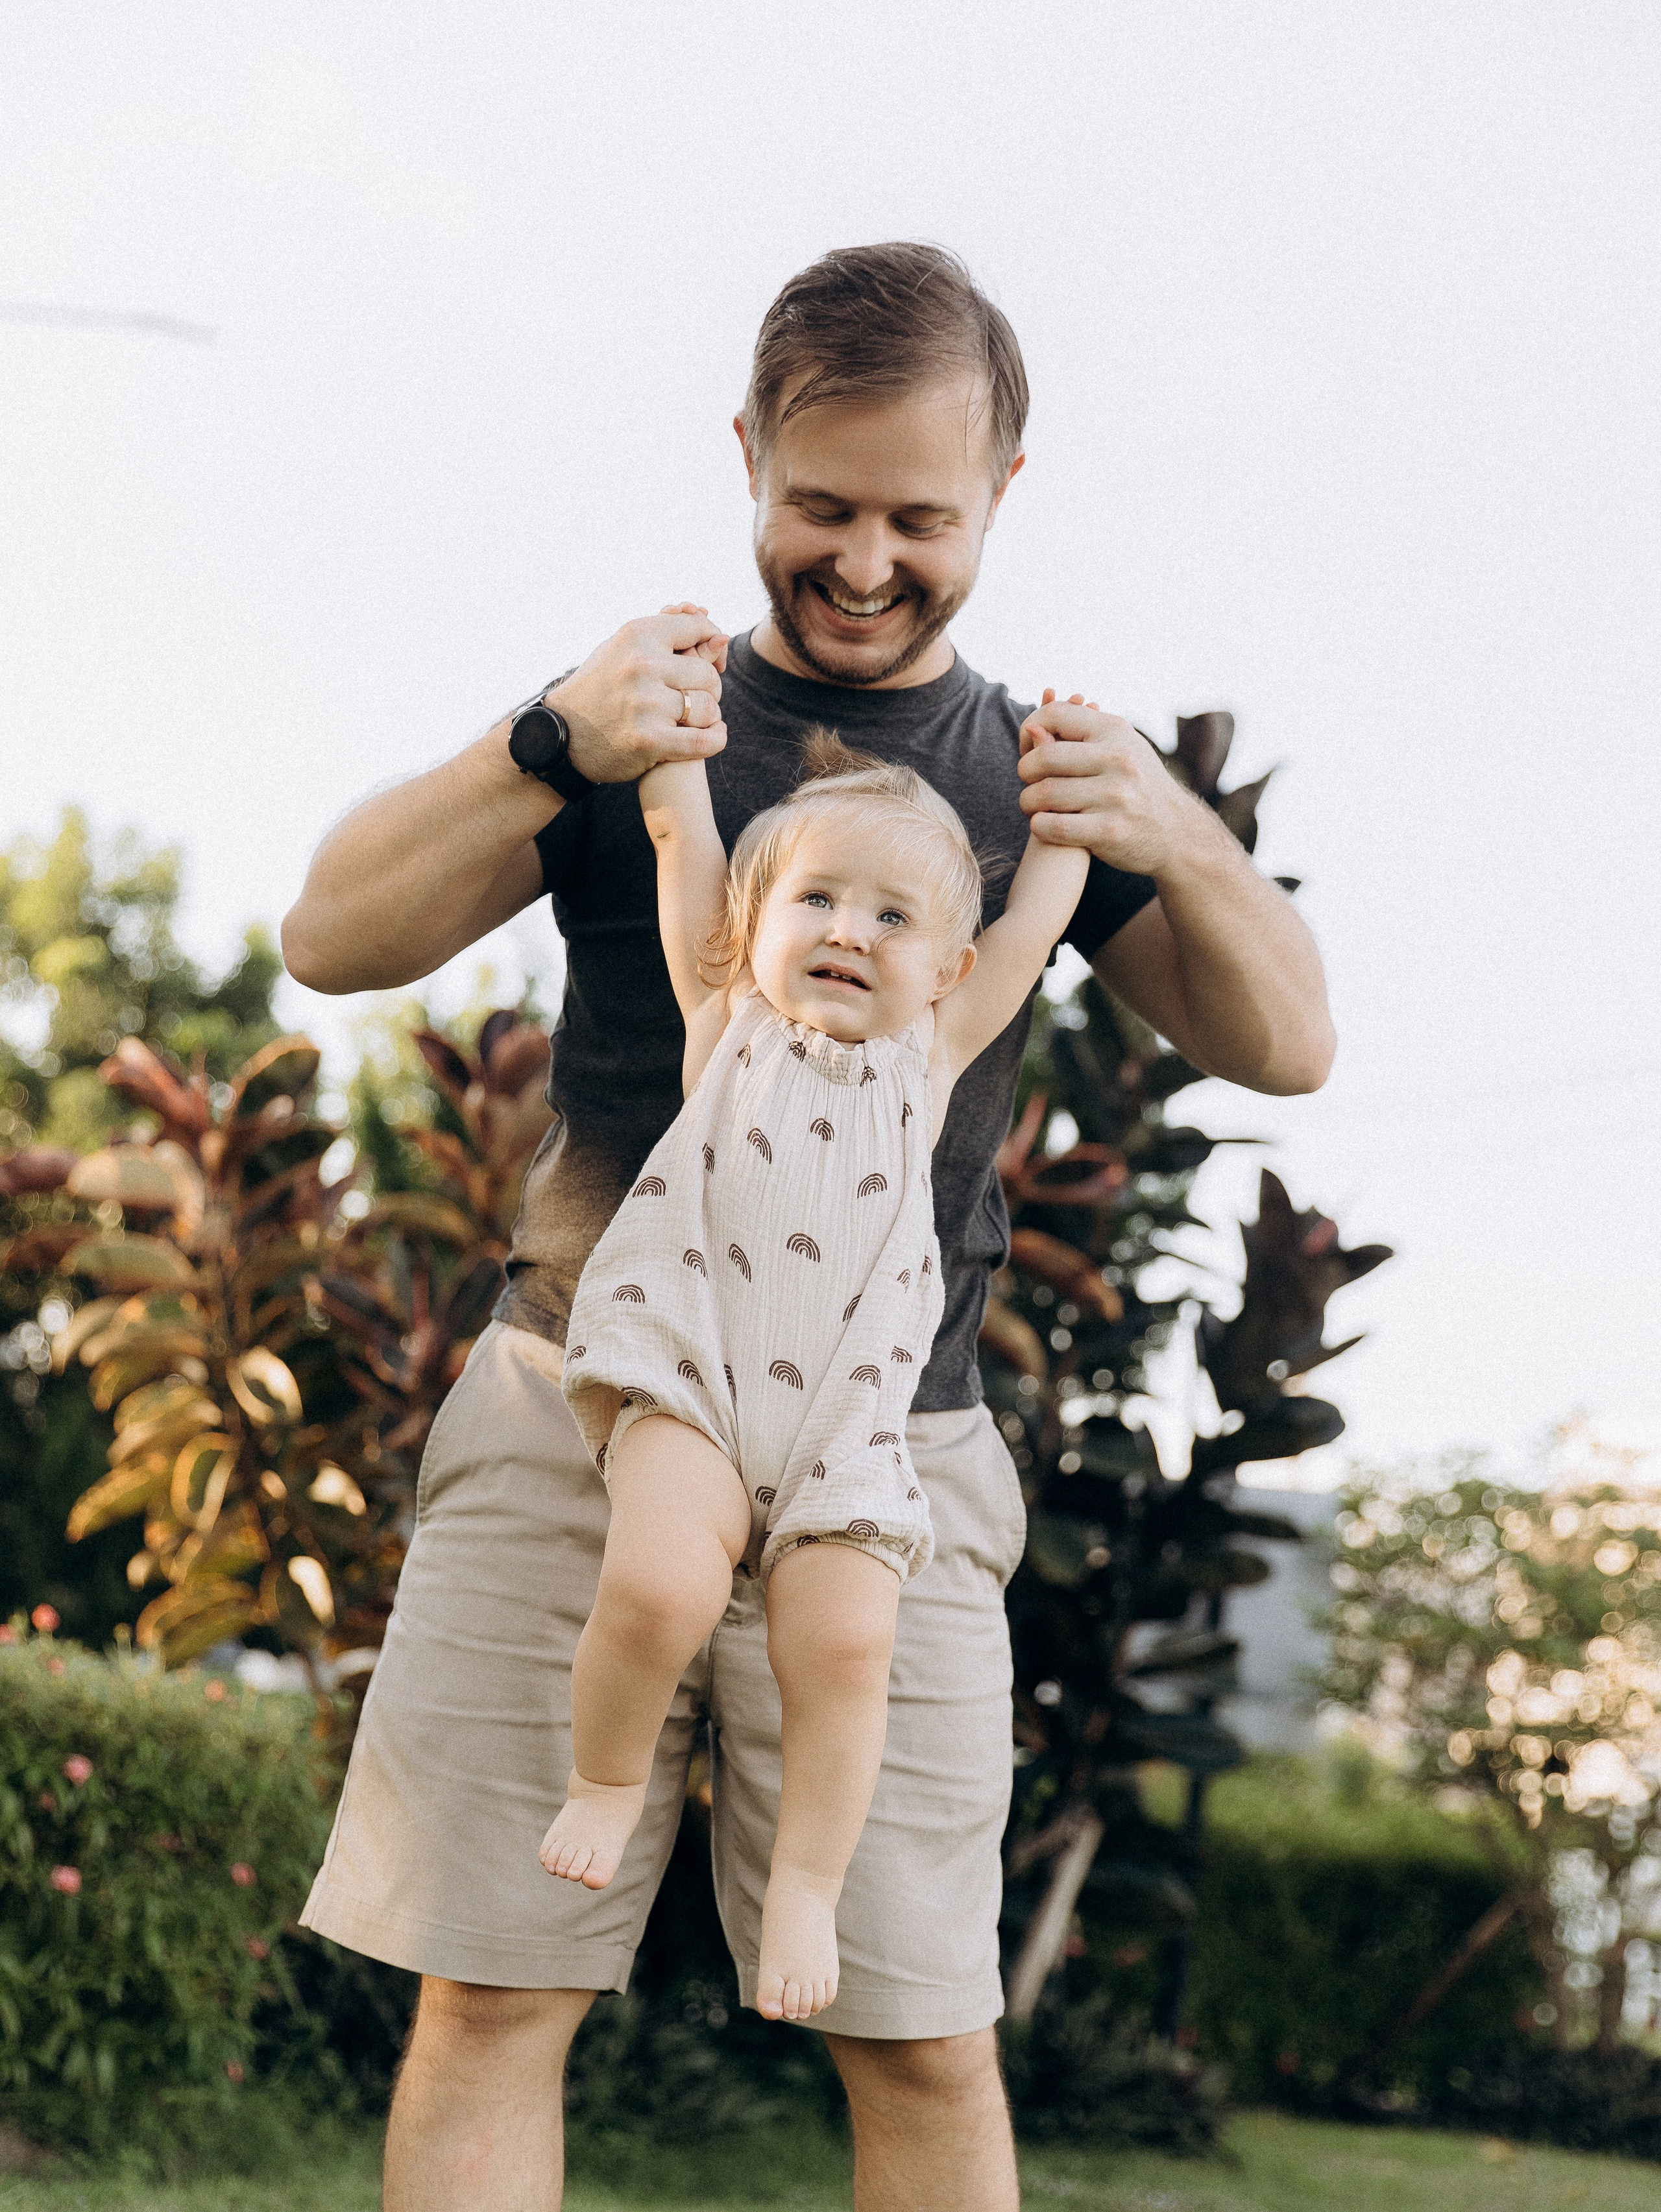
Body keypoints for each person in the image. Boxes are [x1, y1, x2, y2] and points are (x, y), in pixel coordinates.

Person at [283, 242, 1335, 2212]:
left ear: (1002, 492)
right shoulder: (642, 725)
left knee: (926, 2028)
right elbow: (329, 934)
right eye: (820, 506)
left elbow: (1289, 1043)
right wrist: (544, 737)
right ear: (750, 456)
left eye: (920, 519)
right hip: (588, 1402)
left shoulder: (1032, 785)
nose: (865, 560)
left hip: (890, 1448)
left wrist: (1179, 827)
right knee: (496, 1990)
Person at [543, 719, 1093, 2026]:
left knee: (847, 1645)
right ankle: (610, 1782)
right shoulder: (725, 1020)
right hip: (693, 1377)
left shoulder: (929, 1054)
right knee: (661, 1581)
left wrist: (1066, 828)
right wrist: (671, 752)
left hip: (847, 1421)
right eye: (819, 898)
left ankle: (804, 1879)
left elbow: (1026, 938)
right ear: (758, 920)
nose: (850, 929)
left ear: (943, 967)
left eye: (892, 915)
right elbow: (684, 837)